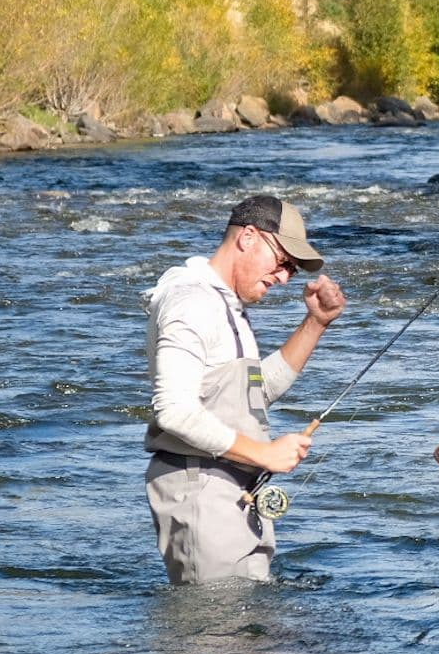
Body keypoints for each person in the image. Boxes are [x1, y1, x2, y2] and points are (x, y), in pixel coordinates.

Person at [144, 193, 346, 584]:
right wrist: (264, 453)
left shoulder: (224, 304)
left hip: (234, 493)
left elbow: (256, 390)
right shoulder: (192, 302)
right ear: (248, 237)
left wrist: (316, 323)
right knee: (219, 640)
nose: (284, 276)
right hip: (201, 491)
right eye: (282, 260)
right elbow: (173, 410)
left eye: (292, 268)